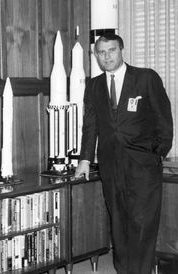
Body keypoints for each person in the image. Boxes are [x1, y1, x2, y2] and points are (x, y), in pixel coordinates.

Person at [75, 33, 173, 274]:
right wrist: (85, 159)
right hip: (111, 165)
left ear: (122, 50)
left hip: (143, 166)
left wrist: (155, 155)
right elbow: (90, 126)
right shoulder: (94, 85)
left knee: (142, 223)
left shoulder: (146, 78)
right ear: (95, 55)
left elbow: (164, 121)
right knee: (118, 223)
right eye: (101, 52)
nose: (106, 56)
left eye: (112, 50)